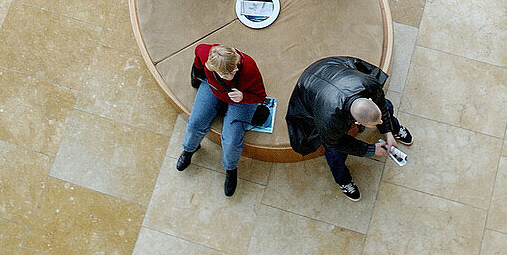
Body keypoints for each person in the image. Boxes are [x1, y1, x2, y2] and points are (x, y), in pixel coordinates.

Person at [286, 55, 413, 200]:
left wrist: (388, 132)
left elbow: (381, 104)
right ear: (357, 123)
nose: (379, 122)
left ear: (369, 99)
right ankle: (343, 180)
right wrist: (371, 150)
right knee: (334, 153)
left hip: (331, 68)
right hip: (309, 86)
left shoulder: (369, 84)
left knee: (388, 107)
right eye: (375, 124)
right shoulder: (329, 121)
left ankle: (395, 129)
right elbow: (335, 142)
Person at [176, 43, 268, 196]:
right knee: (195, 122)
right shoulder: (206, 53)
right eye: (221, 74)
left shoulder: (250, 68)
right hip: (214, 88)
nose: (225, 77)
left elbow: (261, 96)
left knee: (231, 141)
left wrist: (244, 97)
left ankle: (231, 168)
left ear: (236, 67)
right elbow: (198, 57)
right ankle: (189, 149)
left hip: (240, 97)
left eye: (228, 75)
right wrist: (198, 73)